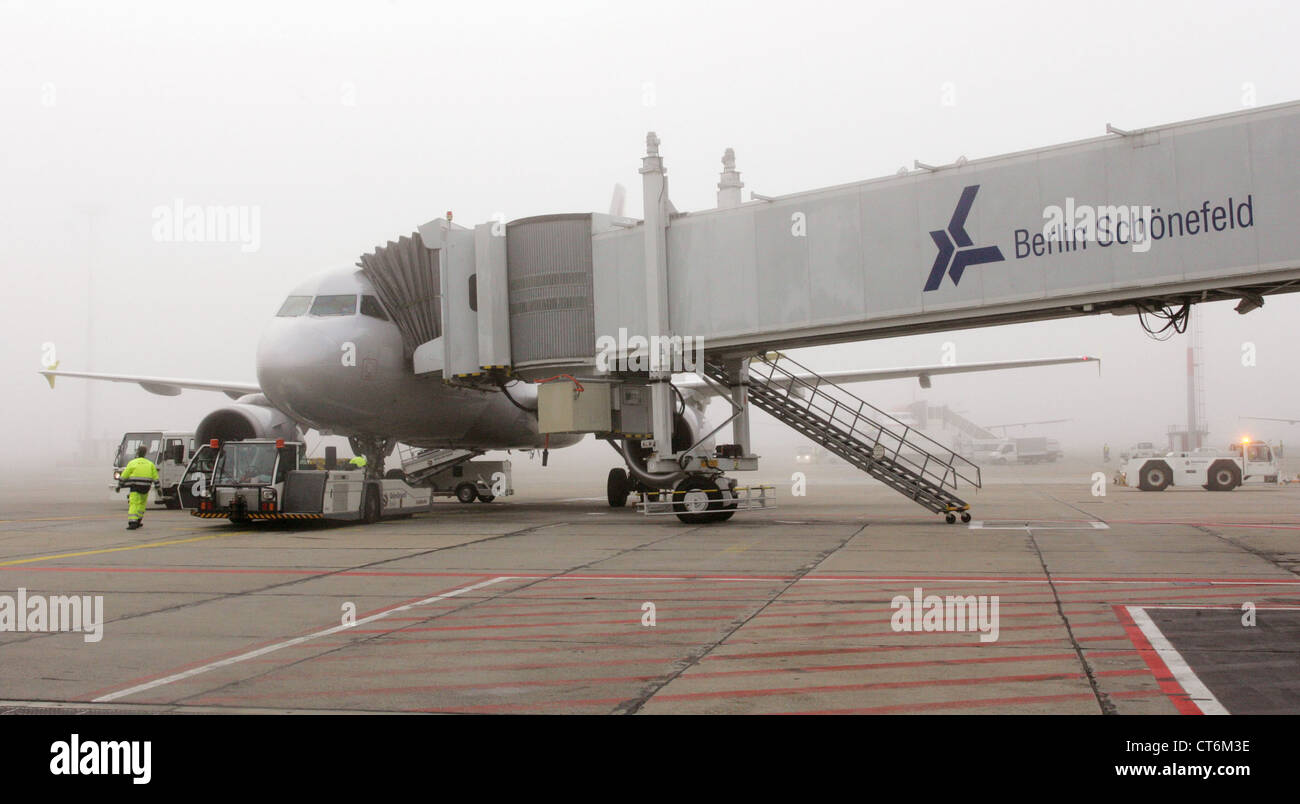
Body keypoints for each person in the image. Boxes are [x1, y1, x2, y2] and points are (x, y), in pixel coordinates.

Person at [117, 445, 159, 530]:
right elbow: (156, 477)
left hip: (135, 487)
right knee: (142, 504)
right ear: (145, 453)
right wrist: (159, 489)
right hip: (146, 487)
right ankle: (139, 520)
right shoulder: (150, 464)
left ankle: (133, 522)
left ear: (137, 452)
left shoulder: (132, 463)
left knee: (134, 503)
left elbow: (125, 475)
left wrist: (119, 485)